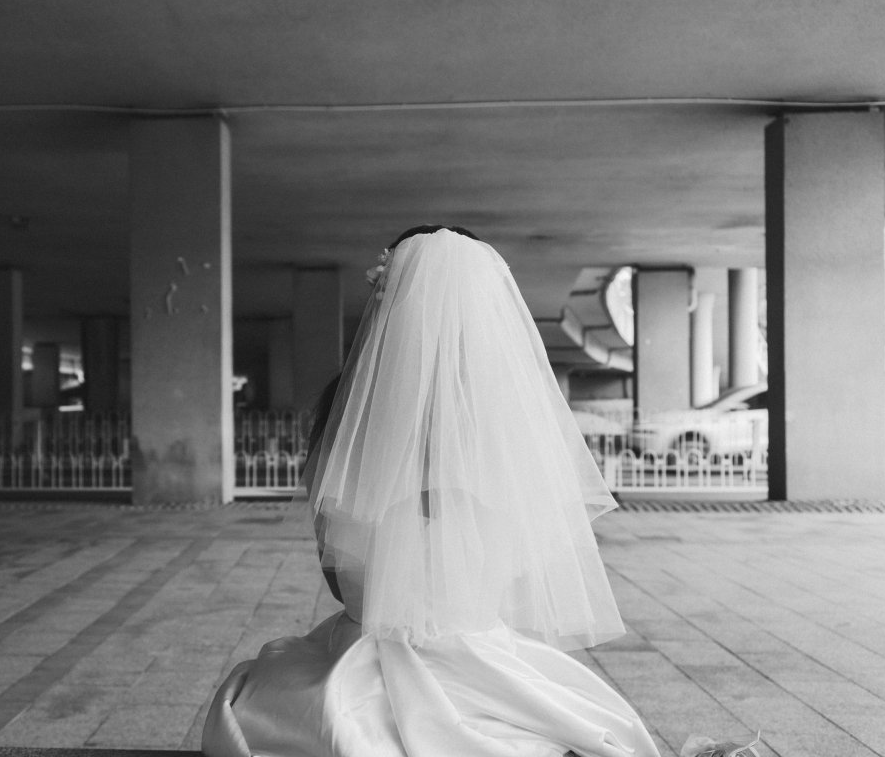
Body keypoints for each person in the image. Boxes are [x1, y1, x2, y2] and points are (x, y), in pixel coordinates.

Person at [202, 226, 664, 757]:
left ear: (384, 302)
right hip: (485, 665)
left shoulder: (347, 409)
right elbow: (520, 575)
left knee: (263, 700)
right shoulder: (513, 418)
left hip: (360, 667)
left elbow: (337, 579)